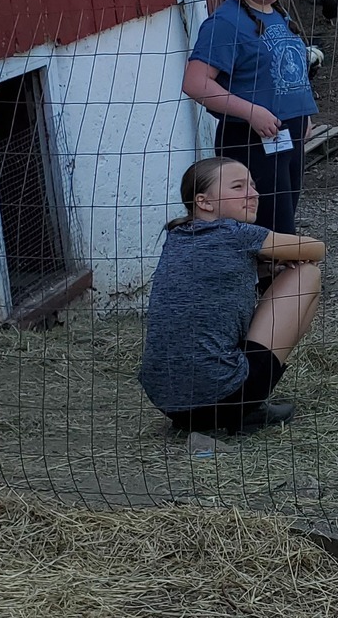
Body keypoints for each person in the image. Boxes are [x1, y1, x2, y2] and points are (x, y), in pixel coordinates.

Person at [139, 157, 325, 436]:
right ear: (204, 202)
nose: (254, 193)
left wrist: (263, 265)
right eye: (238, 187)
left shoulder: (177, 236)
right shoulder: (236, 233)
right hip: (226, 397)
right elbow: (315, 249)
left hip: (168, 402)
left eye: (252, 185)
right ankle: (252, 408)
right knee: (307, 275)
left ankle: (237, 406)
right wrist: (272, 256)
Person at [182, 0, 319, 234]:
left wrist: (303, 115)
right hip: (250, 139)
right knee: (268, 227)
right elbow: (195, 83)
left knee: (283, 217)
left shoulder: (277, 14)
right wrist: (251, 112)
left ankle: (276, 276)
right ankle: (271, 278)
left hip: (287, 135)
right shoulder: (226, 23)